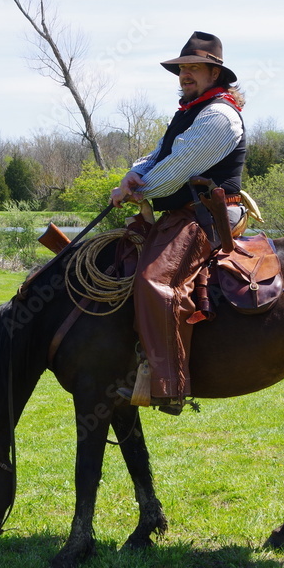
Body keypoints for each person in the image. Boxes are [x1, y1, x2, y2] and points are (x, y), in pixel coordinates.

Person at [111, 31, 246, 414]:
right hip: (185, 212)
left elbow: (177, 170)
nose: (185, 74)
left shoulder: (219, 116)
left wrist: (138, 191)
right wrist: (130, 177)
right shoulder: (190, 111)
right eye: (182, 68)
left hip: (208, 214)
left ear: (215, 73)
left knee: (155, 280)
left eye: (194, 68)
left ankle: (167, 385)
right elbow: (158, 156)